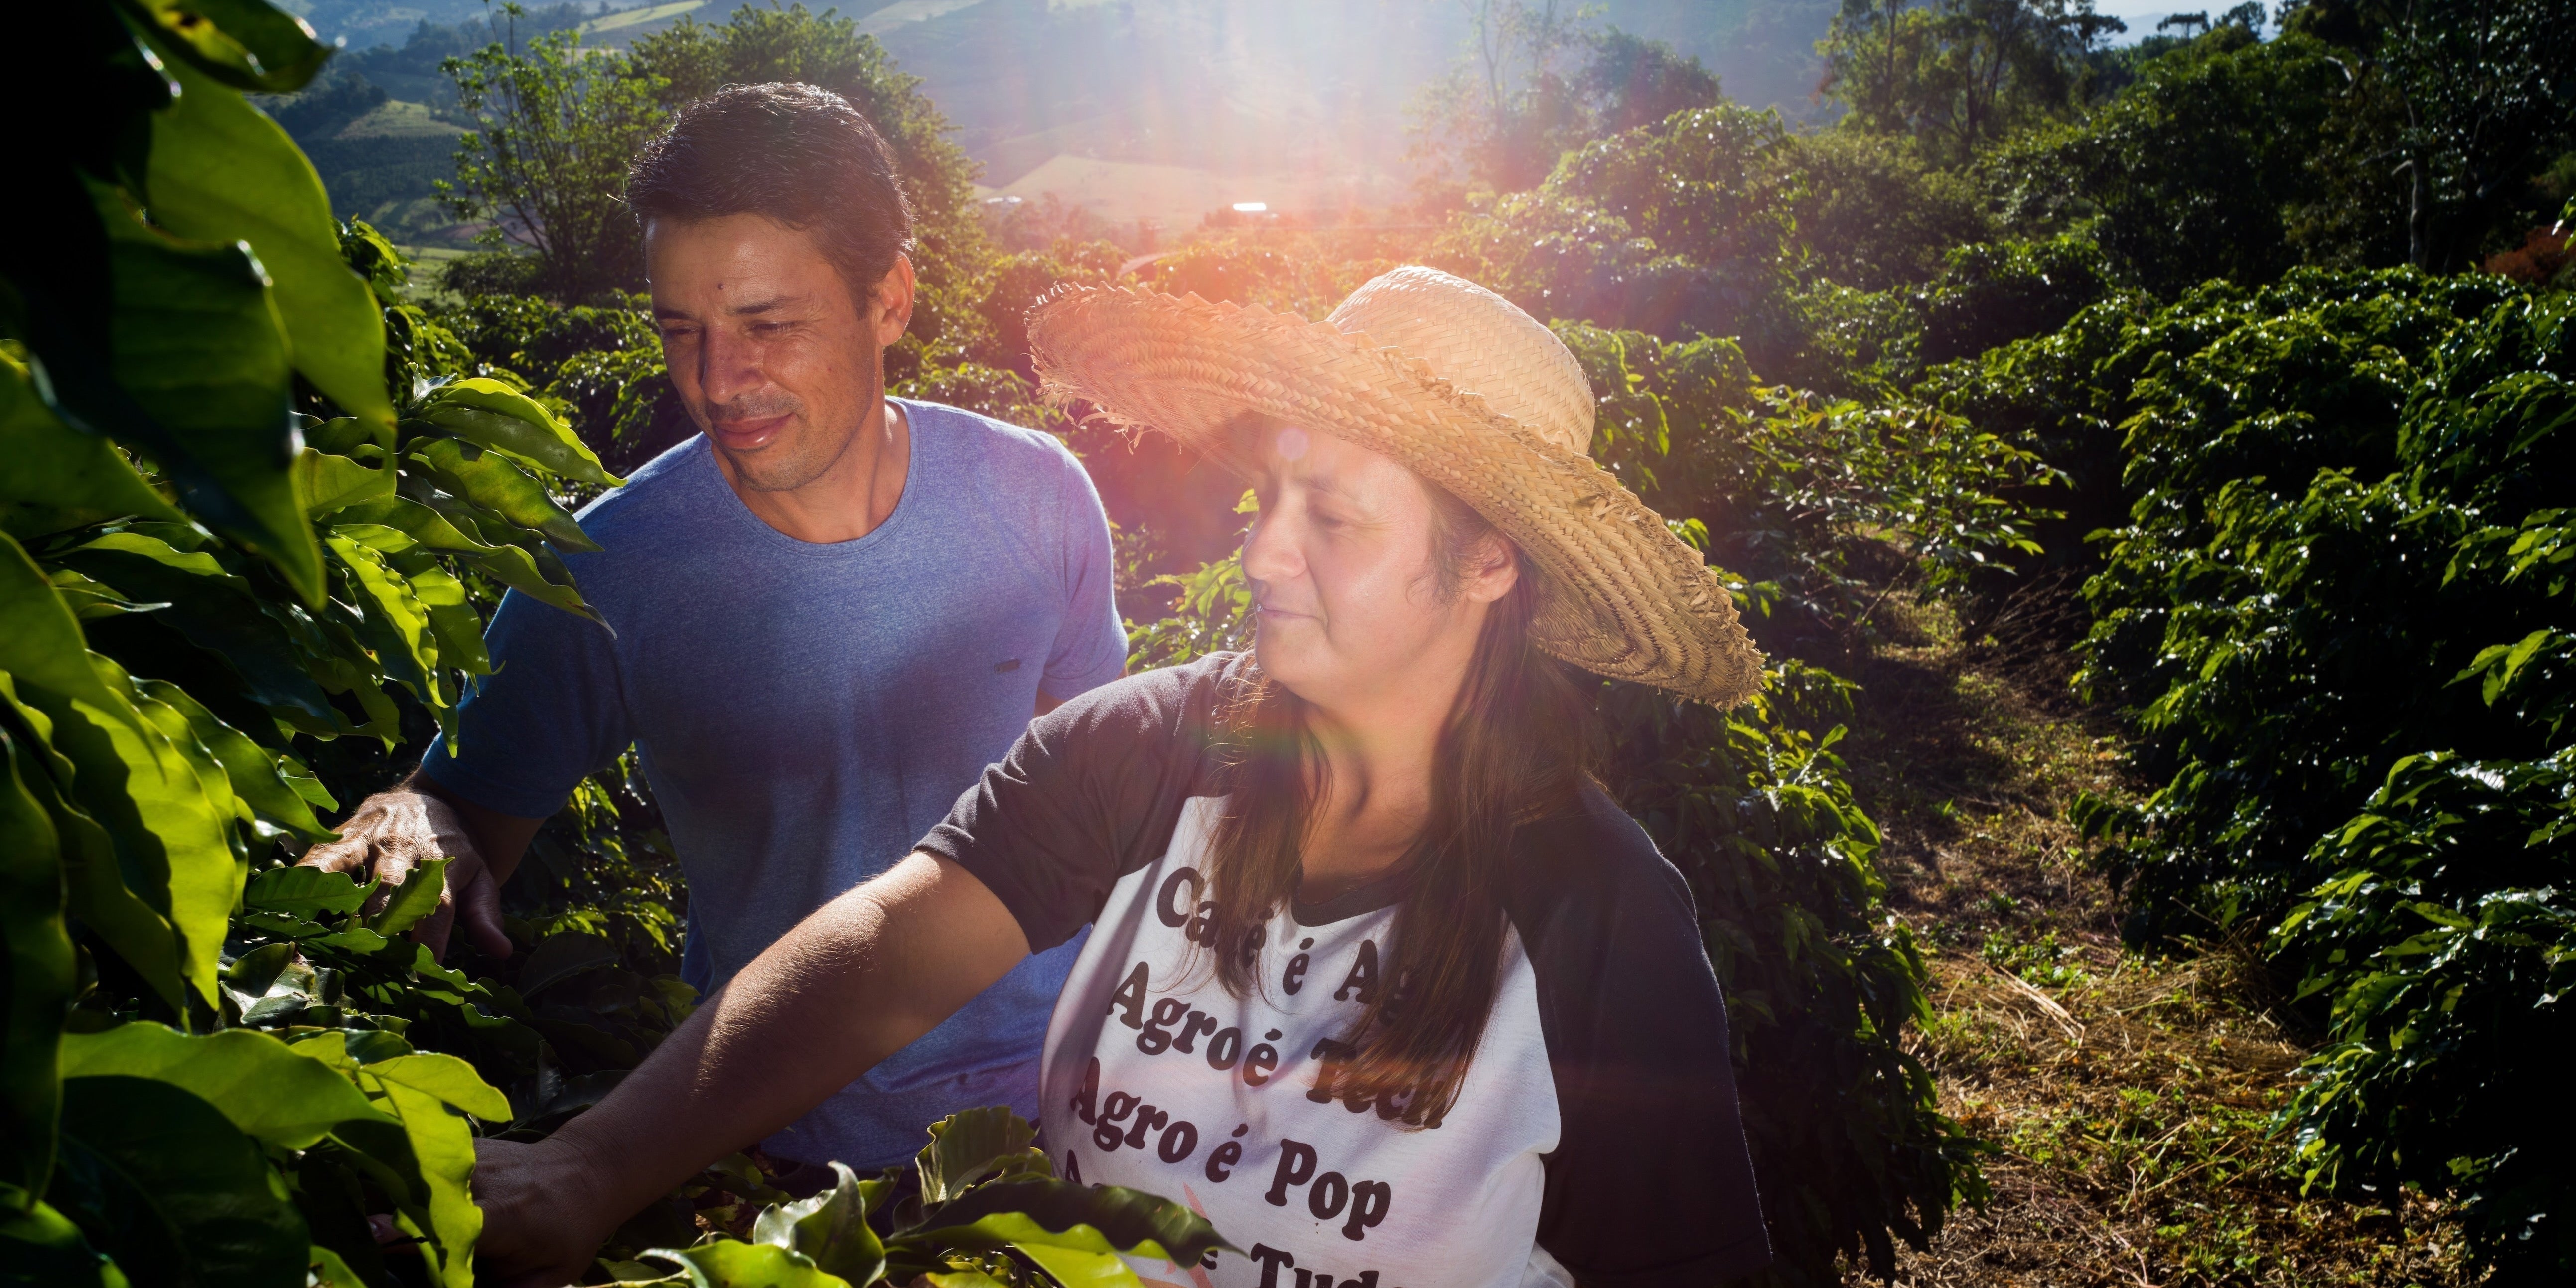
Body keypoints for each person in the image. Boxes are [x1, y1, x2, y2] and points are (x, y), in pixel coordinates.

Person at [473, 267, 1772, 1288]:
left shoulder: (1597, 917)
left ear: (1490, 565)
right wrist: (595, 1165)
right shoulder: (1150, 751)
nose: (1264, 559)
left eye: (1338, 519)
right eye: (1270, 498)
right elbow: (886, 949)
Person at [300, 83, 1129, 1174]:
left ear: (889, 300)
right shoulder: (615, 568)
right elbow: (454, 799)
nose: (717, 381)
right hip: (779, 1149)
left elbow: (1102, 821)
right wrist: (411, 816)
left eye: (766, 326)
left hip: (1067, 1119)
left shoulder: (1037, 498)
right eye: (680, 330)